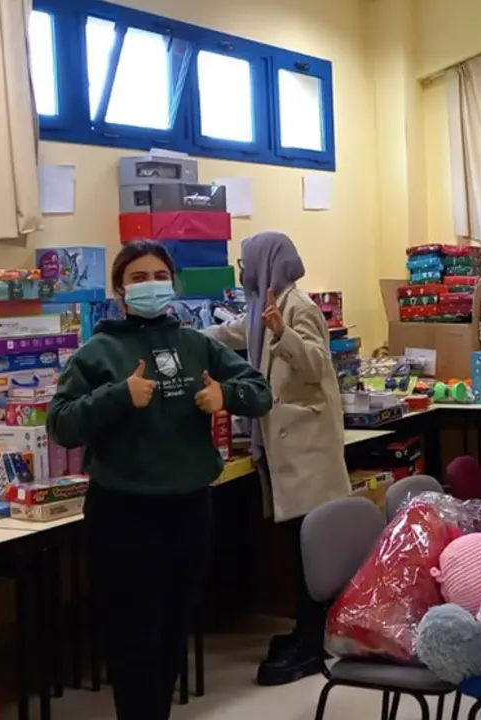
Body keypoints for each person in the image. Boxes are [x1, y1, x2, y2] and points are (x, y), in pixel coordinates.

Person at [47, 241, 273, 720]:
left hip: (189, 508)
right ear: (120, 290)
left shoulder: (196, 344)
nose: (150, 285)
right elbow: (62, 424)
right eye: (138, 277)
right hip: (124, 513)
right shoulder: (99, 351)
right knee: (134, 635)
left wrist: (224, 394)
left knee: (174, 628)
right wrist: (118, 396)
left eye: (158, 276)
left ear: (172, 283)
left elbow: (260, 390)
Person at [202, 231, 351, 686]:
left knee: (308, 552)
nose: (242, 272)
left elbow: (315, 365)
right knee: (293, 548)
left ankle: (312, 640)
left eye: (246, 263)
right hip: (286, 451)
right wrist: (180, 334)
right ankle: (303, 631)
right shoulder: (262, 308)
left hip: (306, 451)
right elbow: (228, 334)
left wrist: (283, 335)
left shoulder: (297, 307)